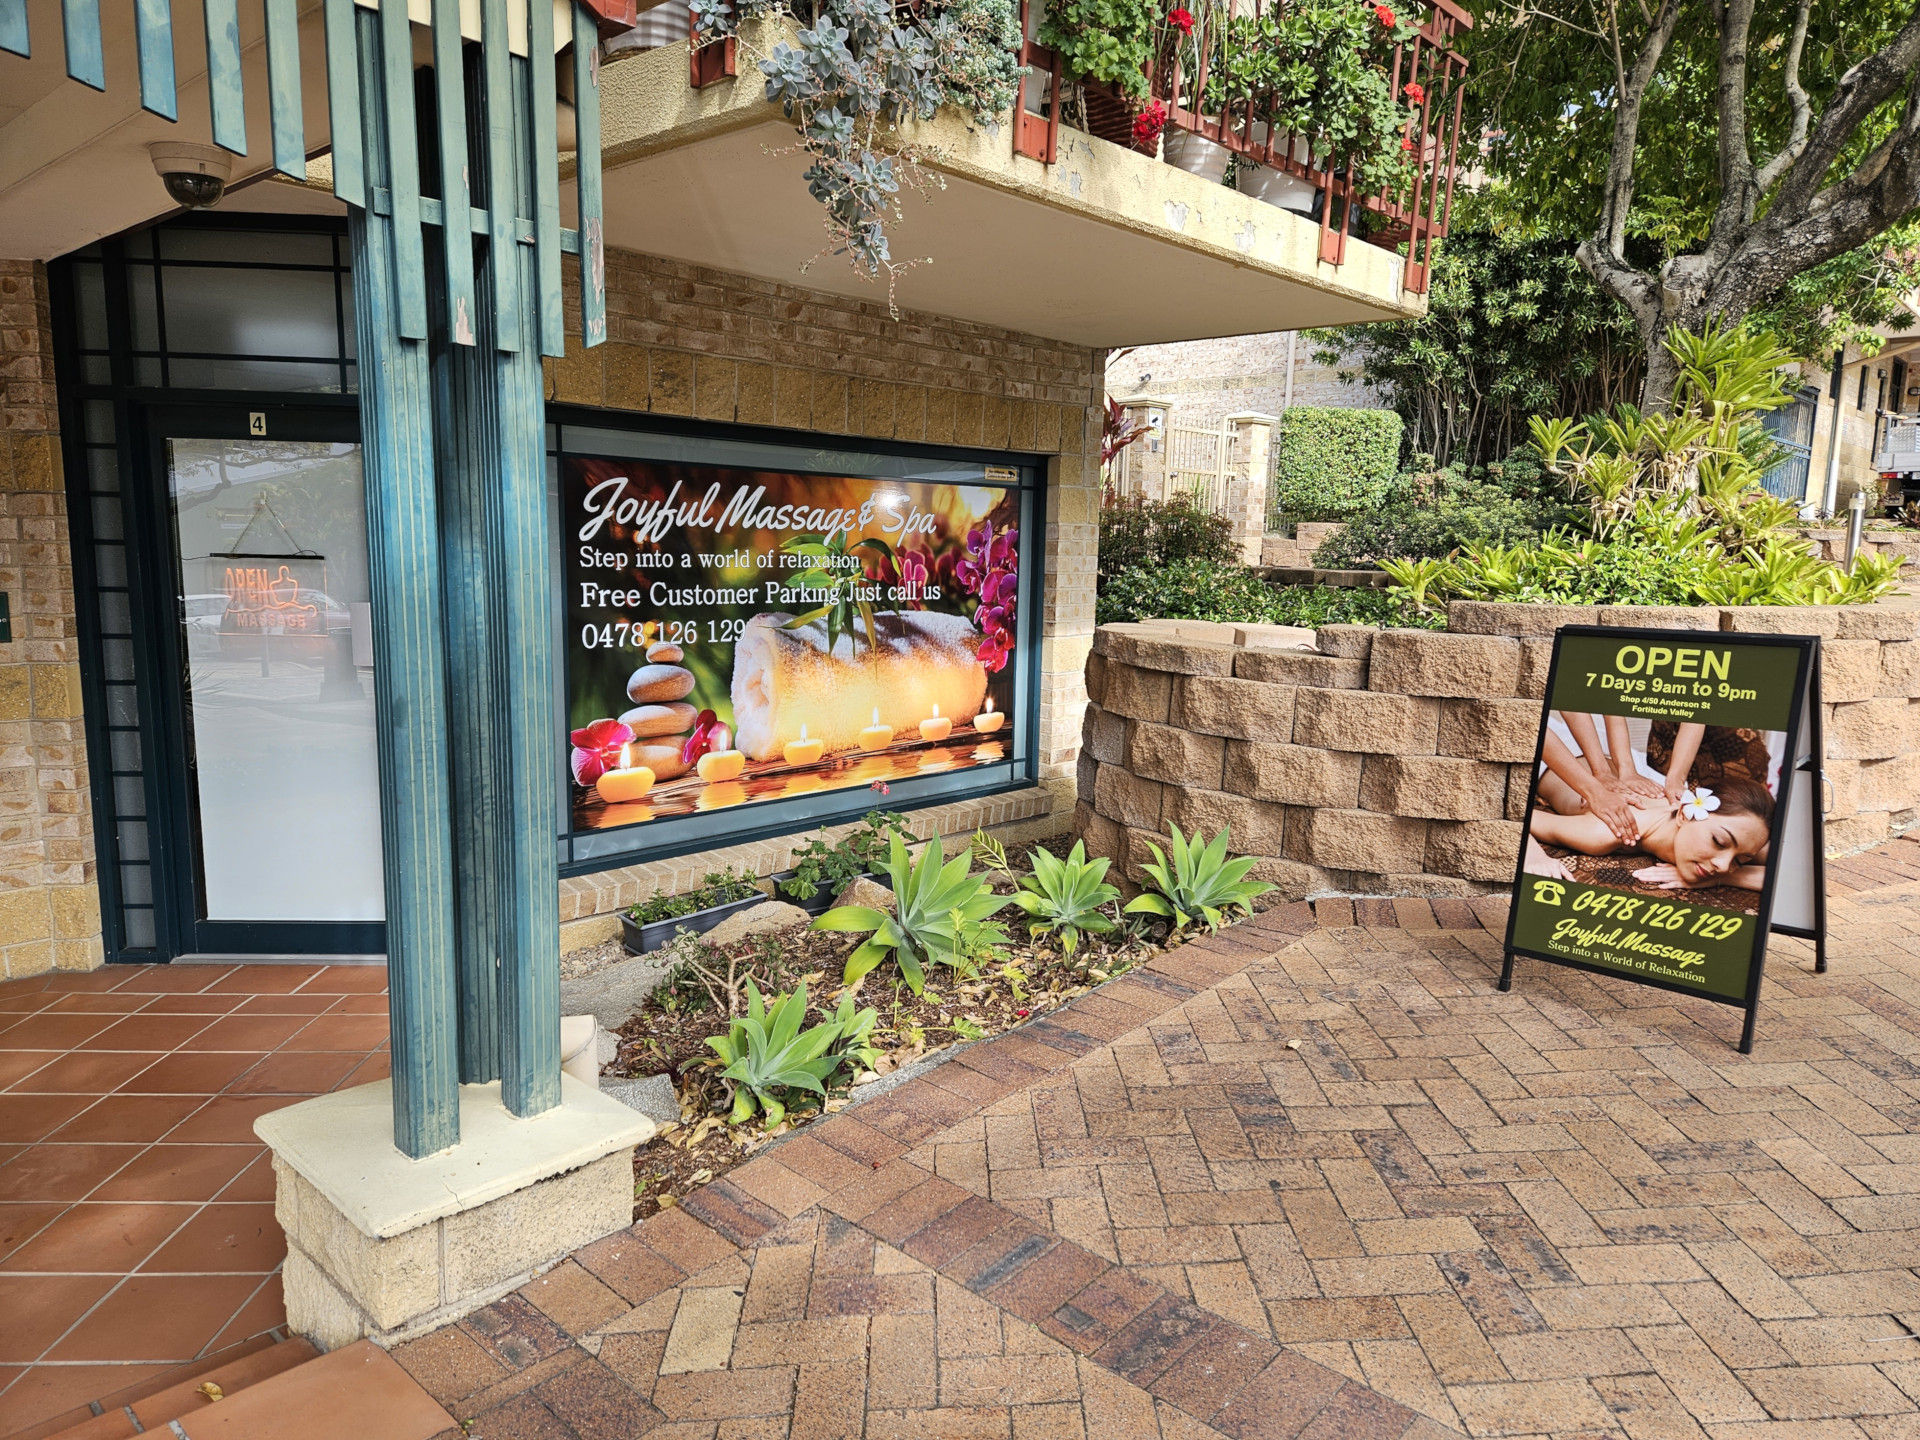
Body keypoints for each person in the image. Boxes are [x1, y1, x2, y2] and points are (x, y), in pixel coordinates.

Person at [1524, 771, 1773, 891]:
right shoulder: (1606, 832)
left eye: (1740, 860)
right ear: (1684, 814)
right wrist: (1533, 856)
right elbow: (1524, 819)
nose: (1724, 865)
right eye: (1719, 842)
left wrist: (1722, 878)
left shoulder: (1744, 833)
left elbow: (1785, 880)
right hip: (1564, 763)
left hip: (1635, 771)